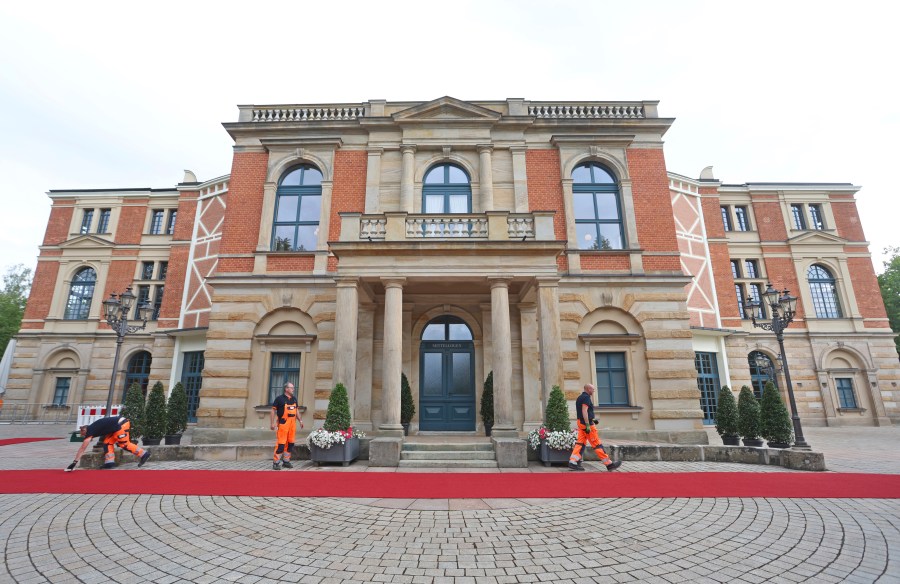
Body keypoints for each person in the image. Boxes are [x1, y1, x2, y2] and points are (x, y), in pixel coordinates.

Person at [66, 416, 151, 471]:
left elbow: (82, 448)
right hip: (117, 426)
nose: (82, 436)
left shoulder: (90, 431)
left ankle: (144, 454)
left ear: (84, 430)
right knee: (107, 443)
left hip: (121, 424)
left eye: (82, 434)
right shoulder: (91, 428)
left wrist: (74, 463)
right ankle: (109, 463)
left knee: (124, 444)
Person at [568, 383, 621, 472]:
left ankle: (572, 462)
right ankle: (609, 464)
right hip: (586, 424)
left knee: (580, 443)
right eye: (592, 389)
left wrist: (592, 419)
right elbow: (584, 411)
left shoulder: (580, 397)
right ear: (588, 389)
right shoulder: (586, 398)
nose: (593, 391)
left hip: (580, 423)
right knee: (596, 444)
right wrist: (588, 424)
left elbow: (584, 412)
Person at [271, 382, 303, 470]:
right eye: (291, 388)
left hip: (292, 423)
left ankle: (286, 461)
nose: (293, 389)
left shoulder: (294, 399)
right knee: (281, 443)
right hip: (283, 423)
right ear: (286, 389)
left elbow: (296, 411)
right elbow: (273, 411)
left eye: (293, 387)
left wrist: (300, 420)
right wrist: (272, 423)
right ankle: (276, 462)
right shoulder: (279, 399)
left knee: (290, 443)